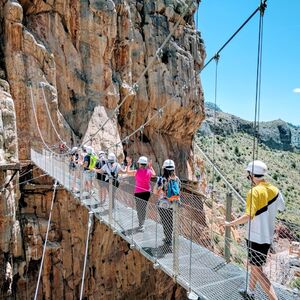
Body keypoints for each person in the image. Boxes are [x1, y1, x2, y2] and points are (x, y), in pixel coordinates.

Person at [225, 160, 285, 300]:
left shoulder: (254, 192)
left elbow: (248, 216)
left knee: (257, 270)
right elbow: (282, 207)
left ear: (252, 175)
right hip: (267, 237)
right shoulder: (275, 190)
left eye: (248, 175)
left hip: (254, 238)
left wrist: (230, 223)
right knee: (255, 265)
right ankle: (250, 291)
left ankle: (274, 298)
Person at [154, 159, 181, 247]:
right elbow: (178, 190)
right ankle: (170, 238)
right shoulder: (176, 179)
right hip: (173, 203)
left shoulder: (161, 179)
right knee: (170, 220)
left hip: (163, 204)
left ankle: (168, 239)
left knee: (165, 221)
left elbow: (154, 192)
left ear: (164, 169)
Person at [126, 156, 156, 232]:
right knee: (144, 207)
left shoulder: (136, 172)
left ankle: (141, 224)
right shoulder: (149, 171)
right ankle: (142, 223)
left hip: (138, 192)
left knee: (139, 208)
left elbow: (128, 172)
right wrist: (151, 167)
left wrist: (128, 164)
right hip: (147, 192)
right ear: (145, 164)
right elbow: (154, 175)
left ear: (139, 164)